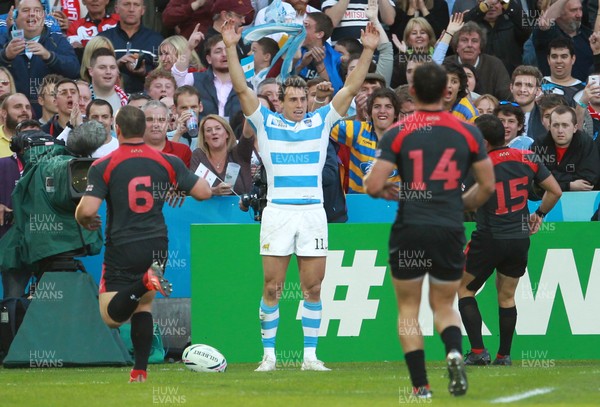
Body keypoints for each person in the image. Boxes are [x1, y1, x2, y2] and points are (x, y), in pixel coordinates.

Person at [223, 15, 380, 371]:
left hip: (313, 213)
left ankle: (310, 355)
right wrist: (231, 46)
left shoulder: (322, 121)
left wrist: (368, 50)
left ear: (309, 100)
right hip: (278, 211)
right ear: (280, 101)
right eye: (290, 99)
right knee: (272, 287)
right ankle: (269, 356)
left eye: (301, 99)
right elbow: (242, 89)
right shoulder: (265, 122)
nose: (297, 104)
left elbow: (351, 90)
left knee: (313, 288)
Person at [363, 62, 495, 398]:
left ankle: (421, 386)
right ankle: (453, 352)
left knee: (408, 309)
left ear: (415, 92)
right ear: (446, 91)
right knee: (444, 305)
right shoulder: (468, 131)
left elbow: (373, 184)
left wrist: (388, 190)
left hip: (410, 227)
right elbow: (487, 186)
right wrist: (459, 203)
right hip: (449, 228)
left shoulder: (400, 131)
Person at [75, 105, 212, 383]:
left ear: (117, 129)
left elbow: (88, 210)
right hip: (157, 242)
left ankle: (144, 282)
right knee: (143, 307)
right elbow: (205, 191)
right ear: (144, 129)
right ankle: (139, 371)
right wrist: (177, 184)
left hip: (123, 244)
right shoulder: (168, 161)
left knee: (112, 317)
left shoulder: (103, 164)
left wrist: (82, 218)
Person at [458, 114, 562, 366]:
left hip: (489, 238)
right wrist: (539, 214)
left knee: (463, 290)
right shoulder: (528, 157)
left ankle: (478, 351)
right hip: (518, 238)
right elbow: (556, 190)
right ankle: (504, 355)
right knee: (506, 297)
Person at [0, 0, 80, 118]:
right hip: (10, 116)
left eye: (37, 10)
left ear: (43, 16)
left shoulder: (57, 40)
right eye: (25, 10)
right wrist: (5, 56)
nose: (32, 14)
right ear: (15, 16)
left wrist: (49, 56)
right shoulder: (3, 40)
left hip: (50, 116)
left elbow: (75, 69)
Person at [330, 87, 401, 193]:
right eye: (377, 106)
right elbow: (324, 125)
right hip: (359, 204)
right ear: (370, 112)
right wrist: (319, 100)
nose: (382, 111)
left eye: (388, 107)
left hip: (393, 204)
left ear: (396, 114)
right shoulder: (357, 130)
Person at [98, 0, 163, 93]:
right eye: (126, 4)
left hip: (146, 99)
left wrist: (145, 72)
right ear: (116, 8)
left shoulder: (157, 40)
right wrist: (115, 65)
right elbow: (91, 71)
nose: (131, 9)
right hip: (108, 97)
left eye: (136, 5)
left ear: (143, 10)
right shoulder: (103, 38)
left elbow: (164, 74)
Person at [531, 105, 600, 191]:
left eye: (565, 125)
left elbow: (588, 180)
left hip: (580, 199)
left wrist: (550, 177)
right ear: (549, 127)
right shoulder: (539, 144)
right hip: (545, 198)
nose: (560, 130)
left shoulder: (586, 143)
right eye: (556, 125)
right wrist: (569, 185)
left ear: (575, 128)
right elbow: (534, 176)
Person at [190, 114, 254, 196]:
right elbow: (193, 188)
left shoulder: (239, 152)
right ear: (204, 138)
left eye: (218, 128)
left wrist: (249, 108)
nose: (214, 132)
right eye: (208, 130)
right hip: (208, 208)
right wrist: (213, 191)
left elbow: (248, 132)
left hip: (240, 207)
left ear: (227, 133)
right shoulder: (198, 155)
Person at [142, 100, 192, 168]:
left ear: (168, 122)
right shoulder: (131, 152)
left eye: (161, 120)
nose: (156, 124)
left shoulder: (183, 151)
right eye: (150, 119)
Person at [0, 93, 33, 158]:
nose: (24, 110)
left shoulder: (42, 138)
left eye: (28, 107)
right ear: (4, 113)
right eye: (18, 107)